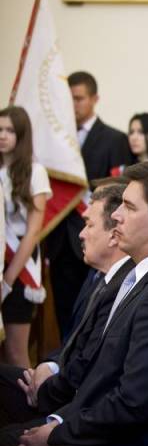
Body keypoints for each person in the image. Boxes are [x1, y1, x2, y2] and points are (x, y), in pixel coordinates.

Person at [0, 161, 148, 446]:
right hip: (103, 428)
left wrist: (57, 431)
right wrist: (59, 421)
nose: (116, 215)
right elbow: (100, 378)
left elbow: (134, 402)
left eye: (129, 207)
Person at [0, 183, 133, 430]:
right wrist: (47, 366)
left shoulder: (123, 286)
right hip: (60, 383)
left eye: (89, 225)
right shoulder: (96, 276)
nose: (81, 234)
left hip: (73, 405)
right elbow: (72, 341)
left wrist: (44, 390)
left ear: (114, 235)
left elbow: (94, 368)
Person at [45, 71, 133, 337]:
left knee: (93, 318)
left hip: (101, 238)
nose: (72, 105)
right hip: (62, 241)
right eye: (68, 99)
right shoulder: (56, 140)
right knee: (65, 318)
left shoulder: (114, 139)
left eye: (78, 98)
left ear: (95, 99)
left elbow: (119, 190)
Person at [0, 107, 52, 369]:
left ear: (21, 135)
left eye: (10, 130)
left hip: (19, 266)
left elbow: (33, 230)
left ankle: (30, 397)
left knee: (15, 353)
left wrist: (7, 280)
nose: (2, 135)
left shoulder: (35, 171)